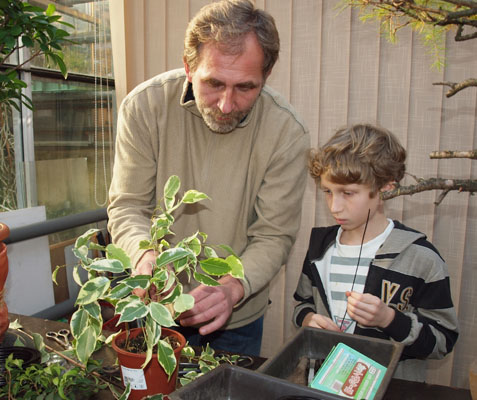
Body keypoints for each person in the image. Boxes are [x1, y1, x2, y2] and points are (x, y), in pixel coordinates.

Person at [107, 0, 310, 356]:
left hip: (236, 317)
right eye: (214, 83)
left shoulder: (286, 132)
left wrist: (232, 288)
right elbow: (128, 206)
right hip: (155, 307)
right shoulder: (145, 107)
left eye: (245, 87)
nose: (226, 104)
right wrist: (144, 257)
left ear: (266, 76)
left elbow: (274, 235)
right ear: (189, 67)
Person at [292, 123, 459, 381]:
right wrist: (308, 320)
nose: (334, 206)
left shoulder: (421, 259)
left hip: (389, 388)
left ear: (385, 190)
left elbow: (443, 341)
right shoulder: (320, 248)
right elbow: (301, 304)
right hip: (320, 384)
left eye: (348, 193)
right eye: (328, 192)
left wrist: (390, 319)